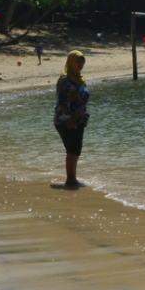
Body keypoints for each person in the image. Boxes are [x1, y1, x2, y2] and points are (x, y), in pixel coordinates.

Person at [54, 51, 90, 189]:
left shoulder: (80, 79)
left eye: (82, 62)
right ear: (71, 62)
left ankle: (73, 178)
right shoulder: (65, 80)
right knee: (73, 149)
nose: (80, 64)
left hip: (79, 119)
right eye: (77, 61)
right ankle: (70, 180)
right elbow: (61, 102)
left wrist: (84, 117)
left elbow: (81, 101)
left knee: (76, 149)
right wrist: (68, 119)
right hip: (65, 121)